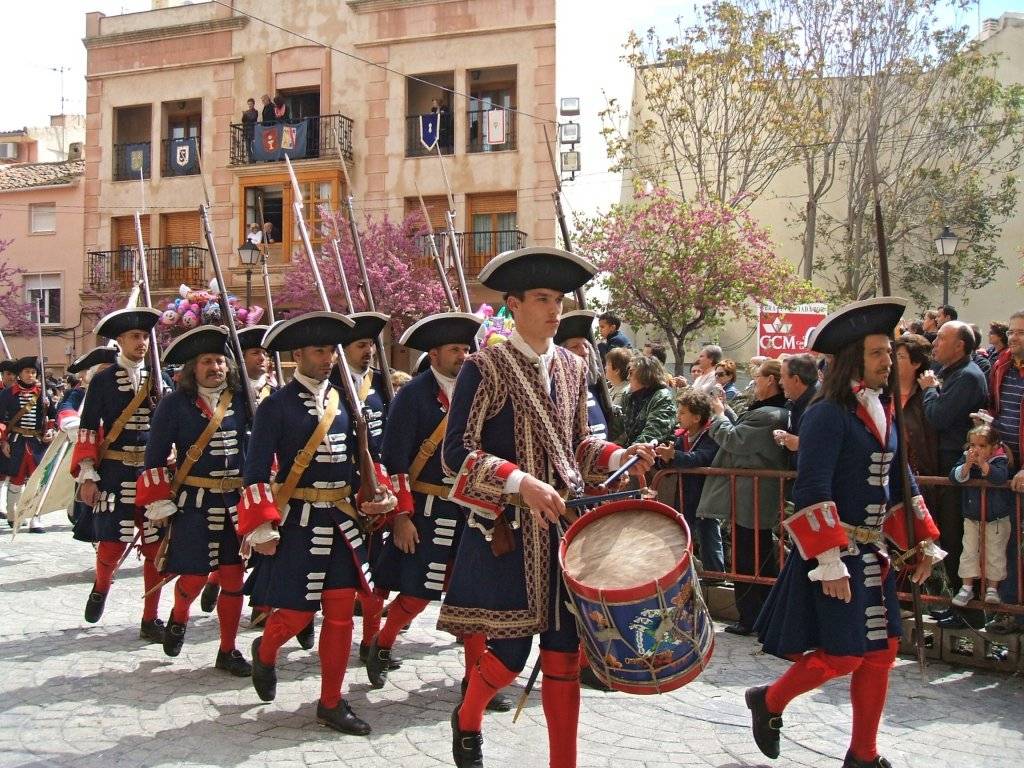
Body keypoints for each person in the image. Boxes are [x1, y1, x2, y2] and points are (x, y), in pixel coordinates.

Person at [439, 248, 654, 768]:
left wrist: (619, 454)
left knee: (564, 655)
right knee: (509, 660)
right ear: (513, 304)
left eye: (558, 299)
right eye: (541, 298)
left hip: (563, 533)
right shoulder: (483, 367)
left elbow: (577, 443)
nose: (555, 309)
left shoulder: (574, 366)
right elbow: (456, 454)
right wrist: (518, 481)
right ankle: (467, 717)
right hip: (508, 534)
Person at [748, 297, 944, 768]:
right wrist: (828, 560)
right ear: (855, 357)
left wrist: (921, 542)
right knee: (844, 656)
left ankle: (863, 754)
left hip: (872, 553)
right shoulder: (825, 414)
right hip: (836, 554)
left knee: (882, 651)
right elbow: (813, 486)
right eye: (879, 352)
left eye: (889, 352)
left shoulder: (885, 409)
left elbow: (901, 479)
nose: (888, 361)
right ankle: (769, 701)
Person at [238, 311, 397, 735]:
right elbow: (254, 471)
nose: (328, 358)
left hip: (342, 522)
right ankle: (266, 650)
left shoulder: (346, 401)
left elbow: (360, 459)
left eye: (331, 350)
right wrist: (261, 525)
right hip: (299, 523)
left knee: (343, 614)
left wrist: (375, 492)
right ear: (297, 355)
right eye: (319, 350)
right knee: (293, 615)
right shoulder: (275, 406)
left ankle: (330, 701)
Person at [365, 312, 510, 712]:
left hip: (471, 510)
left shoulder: (481, 390)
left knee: (476, 600)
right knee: (415, 596)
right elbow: (394, 459)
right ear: (433, 354)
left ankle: (475, 679)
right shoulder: (413, 395)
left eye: (467, 349)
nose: (463, 356)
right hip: (426, 510)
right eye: (455, 350)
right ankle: (382, 642)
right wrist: (401, 516)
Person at [136, 326, 252, 676]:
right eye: (206, 361)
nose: (215, 367)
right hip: (194, 503)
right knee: (194, 576)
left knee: (233, 579)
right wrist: (158, 503)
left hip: (235, 501)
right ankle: (179, 615)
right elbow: (154, 457)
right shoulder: (174, 404)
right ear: (193, 368)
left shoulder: (243, 399)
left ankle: (228, 650)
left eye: (219, 360)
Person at [72, 307, 167, 643]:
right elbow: (87, 430)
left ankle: (150, 617)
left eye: (144, 337)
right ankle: (101, 586)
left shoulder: (159, 378)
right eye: (134, 337)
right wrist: (87, 475)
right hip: (113, 470)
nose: (141, 343)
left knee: (156, 548)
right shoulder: (102, 380)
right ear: (120, 341)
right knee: (112, 544)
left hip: (151, 473)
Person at [697, 358, 789, 634]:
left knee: (750, 555)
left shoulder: (771, 413)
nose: (753, 383)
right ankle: (758, 615)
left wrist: (718, 414)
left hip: (753, 494)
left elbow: (735, 440)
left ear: (770, 380)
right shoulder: (767, 411)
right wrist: (725, 411)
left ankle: (752, 616)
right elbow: (743, 435)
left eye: (758, 378)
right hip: (751, 493)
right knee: (753, 553)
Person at [329, 312, 392, 661]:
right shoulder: (333, 387)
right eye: (360, 345)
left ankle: (371, 641)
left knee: (376, 572)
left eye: (370, 344)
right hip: (343, 487)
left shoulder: (381, 383)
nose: (367, 351)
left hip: (378, 486)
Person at [200, 325, 273, 617]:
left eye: (265, 353)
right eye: (255, 353)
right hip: (242, 470)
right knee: (239, 546)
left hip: (276, 474)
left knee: (271, 543)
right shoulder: (235, 396)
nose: (262, 359)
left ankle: (263, 604)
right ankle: (217, 578)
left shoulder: (275, 391)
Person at [918, 319, 988, 624]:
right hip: (945, 464)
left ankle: (970, 611)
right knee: (949, 536)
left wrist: (931, 391)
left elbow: (938, 417)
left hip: (957, 466)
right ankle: (959, 605)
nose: (934, 344)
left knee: (959, 538)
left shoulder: (968, 377)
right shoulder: (952, 373)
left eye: (941, 339)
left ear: (960, 345)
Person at [655, 388, 724, 575]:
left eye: (683, 412)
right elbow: (667, 462)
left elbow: (700, 458)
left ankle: (715, 574)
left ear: (696, 417)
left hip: (705, 493)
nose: (678, 416)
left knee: (708, 532)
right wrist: (664, 457)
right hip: (685, 494)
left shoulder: (711, 435)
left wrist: (674, 456)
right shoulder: (680, 435)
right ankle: (685, 572)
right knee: (684, 532)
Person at [986, 310, 1024, 633]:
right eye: (1012, 332)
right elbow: (996, 409)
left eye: (1021, 333)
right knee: (1007, 540)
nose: (1014, 337)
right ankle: (1011, 610)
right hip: (1007, 465)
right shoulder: (1002, 366)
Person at [949, 424, 1013, 607]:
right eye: (972, 445)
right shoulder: (966, 458)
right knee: (969, 551)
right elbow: (954, 477)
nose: (975, 450)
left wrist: (984, 465)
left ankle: (992, 588)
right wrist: (968, 464)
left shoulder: (1000, 460)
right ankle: (967, 588)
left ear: (993, 447)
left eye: (982, 446)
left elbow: (1000, 478)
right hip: (972, 516)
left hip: (997, 518)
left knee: (995, 553)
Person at [59, 346, 118, 542]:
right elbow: (66, 410)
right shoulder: (80, 394)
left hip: (118, 458)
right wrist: (75, 425)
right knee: (89, 504)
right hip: (89, 453)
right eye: (104, 370)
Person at [0, 356, 54, 533]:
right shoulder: (7, 394)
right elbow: (1, 420)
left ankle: (35, 518)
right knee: (16, 480)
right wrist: (3, 441)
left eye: (33, 372)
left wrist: (50, 431)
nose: (30, 375)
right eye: (27, 372)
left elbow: (53, 418)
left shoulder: (44, 393)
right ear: (20, 374)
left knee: (37, 481)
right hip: (16, 442)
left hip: (37, 443)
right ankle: (12, 514)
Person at [892, 334, 939, 512]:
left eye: (901, 357)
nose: (893, 361)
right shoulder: (882, 392)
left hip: (917, 474)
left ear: (916, 363)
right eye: (893, 355)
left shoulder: (926, 394)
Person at [555, 310, 610, 440]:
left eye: (586, 346)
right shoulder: (556, 391)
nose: (584, 352)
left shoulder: (596, 389)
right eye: (575, 347)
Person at [619, 353, 677, 446]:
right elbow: (619, 429)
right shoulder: (629, 395)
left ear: (645, 375)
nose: (628, 378)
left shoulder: (662, 397)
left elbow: (653, 434)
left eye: (631, 373)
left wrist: (627, 453)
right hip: (635, 452)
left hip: (657, 455)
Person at [775, 354, 818, 462]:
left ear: (796, 380)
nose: (780, 382)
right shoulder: (799, 403)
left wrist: (800, 443)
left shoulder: (819, 407)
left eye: (783, 377)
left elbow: (831, 442)